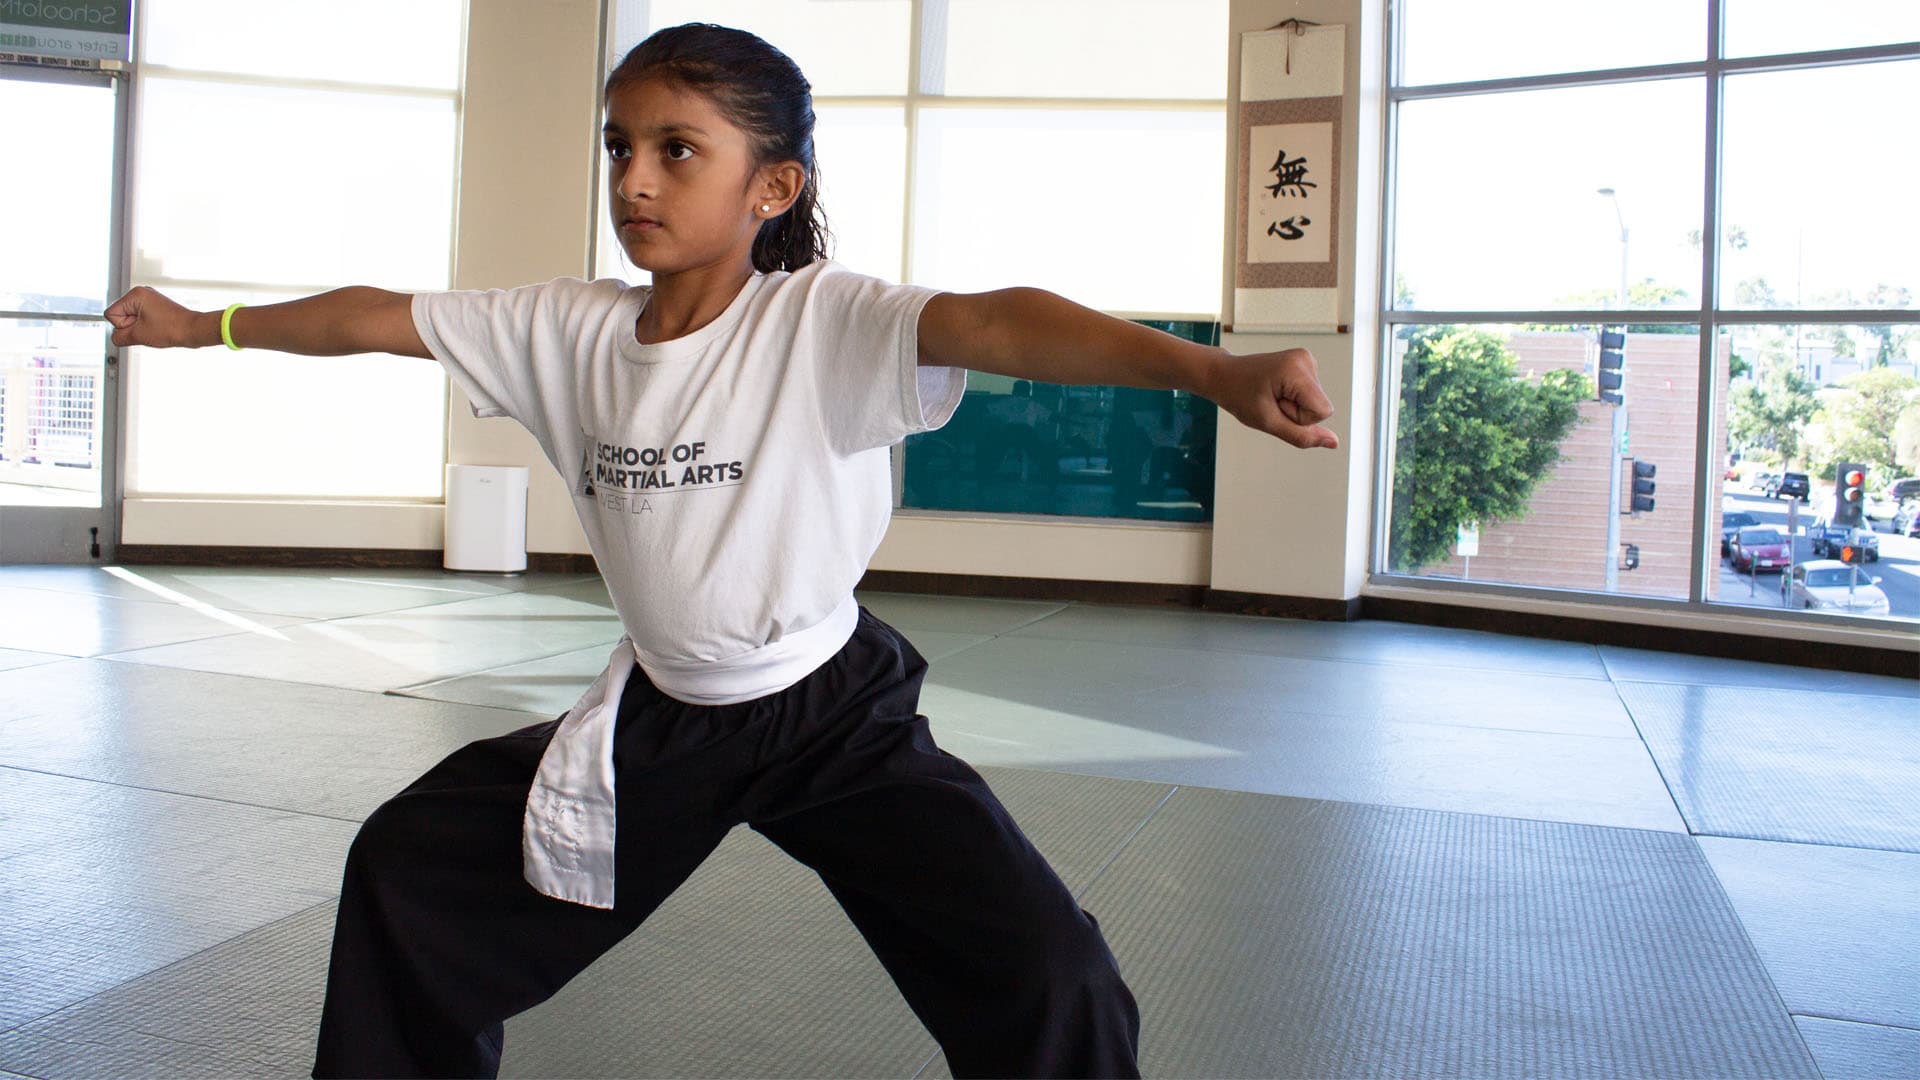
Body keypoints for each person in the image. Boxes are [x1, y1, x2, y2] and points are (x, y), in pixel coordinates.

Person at [104, 22, 1338, 1080]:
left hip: (834, 719)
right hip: (663, 721)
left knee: (1049, 975)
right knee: (406, 871)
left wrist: (1210, 370)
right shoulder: (561, 328)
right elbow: (375, 317)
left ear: (774, 188)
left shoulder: (824, 320)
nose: (636, 178)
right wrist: (206, 324)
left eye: (676, 149)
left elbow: (1002, 319)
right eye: (620, 147)